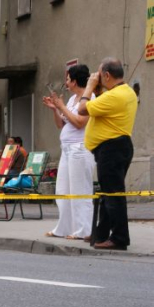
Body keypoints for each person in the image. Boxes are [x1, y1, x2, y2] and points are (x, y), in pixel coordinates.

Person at [78, 57, 138, 251]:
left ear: (107, 75)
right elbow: (102, 101)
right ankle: (101, 233)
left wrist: (89, 87)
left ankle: (119, 238)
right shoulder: (125, 91)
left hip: (112, 149)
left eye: (99, 73)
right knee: (107, 194)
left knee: (113, 195)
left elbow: (82, 109)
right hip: (117, 147)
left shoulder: (114, 97)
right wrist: (98, 89)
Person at [42, 64, 95, 240]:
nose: (66, 82)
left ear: (74, 80)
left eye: (67, 79)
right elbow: (61, 125)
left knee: (80, 191)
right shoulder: (72, 100)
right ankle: (63, 228)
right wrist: (55, 109)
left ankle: (84, 230)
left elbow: (80, 122)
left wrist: (61, 106)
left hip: (80, 149)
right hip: (67, 149)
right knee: (63, 190)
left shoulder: (89, 99)